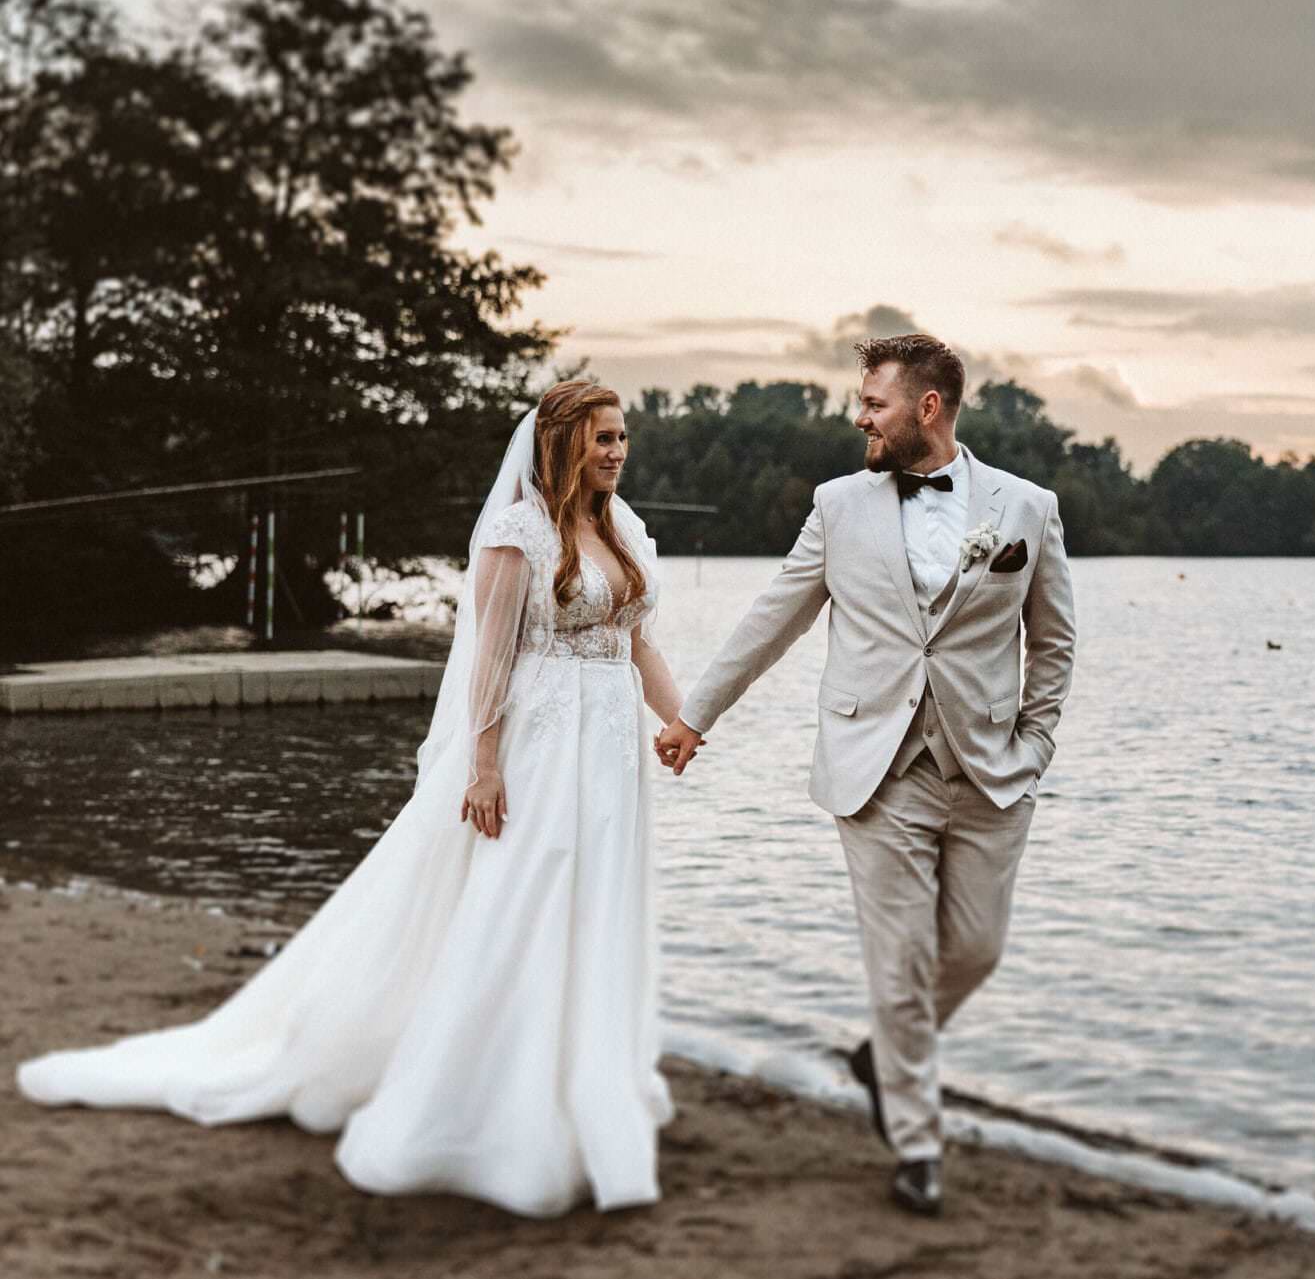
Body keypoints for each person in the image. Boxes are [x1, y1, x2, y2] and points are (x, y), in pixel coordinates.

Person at [16, 381, 683, 1218]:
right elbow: (489, 662)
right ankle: (484, 1091)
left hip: (609, 756)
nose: (619, 451)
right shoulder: (519, 534)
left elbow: (640, 644)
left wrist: (682, 718)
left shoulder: (624, 532)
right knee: (526, 894)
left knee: (595, 904)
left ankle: (586, 1071)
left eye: (624, 437)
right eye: (604, 438)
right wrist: (483, 764)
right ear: (562, 443)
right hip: (538, 746)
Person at [654, 333, 1076, 1217]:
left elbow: (1055, 642)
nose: (859, 417)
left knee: (975, 949)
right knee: (901, 963)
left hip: (994, 771)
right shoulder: (838, 506)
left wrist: (1034, 747)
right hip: (877, 774)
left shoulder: (1026, 508)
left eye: (874, 402)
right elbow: (776, 614)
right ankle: (919, 1145)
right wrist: (696, 713)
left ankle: (878, 1055)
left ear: (929, 407)